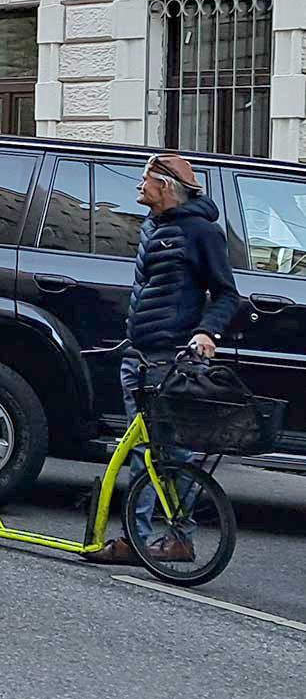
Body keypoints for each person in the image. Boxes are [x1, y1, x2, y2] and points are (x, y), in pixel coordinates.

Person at [85, 152, 241, 566]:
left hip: (171, 359)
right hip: (139, 356)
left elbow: (227, 293)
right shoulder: (155, 226)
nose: (138, 186)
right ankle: (152, 539)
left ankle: (162, 538)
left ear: (166, 187)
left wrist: (207, 332)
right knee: (147, 451)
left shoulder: (201, 232)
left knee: (167, 452)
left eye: (145, 179)